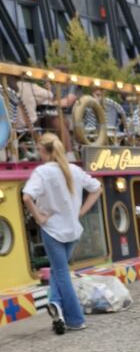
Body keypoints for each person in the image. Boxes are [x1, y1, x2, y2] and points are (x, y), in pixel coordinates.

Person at [22, 133, 103, 334]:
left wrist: (39, 218)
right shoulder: (74, 169)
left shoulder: (42, 172)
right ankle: (56, 304)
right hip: (73, 231)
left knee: (60, 273)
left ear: (45, 151)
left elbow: (26, 197)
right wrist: (81, 212)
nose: (38, 154)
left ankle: (76, 319)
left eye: (39, 150)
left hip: (53, 231)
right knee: (60, 271)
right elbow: (97, 188)